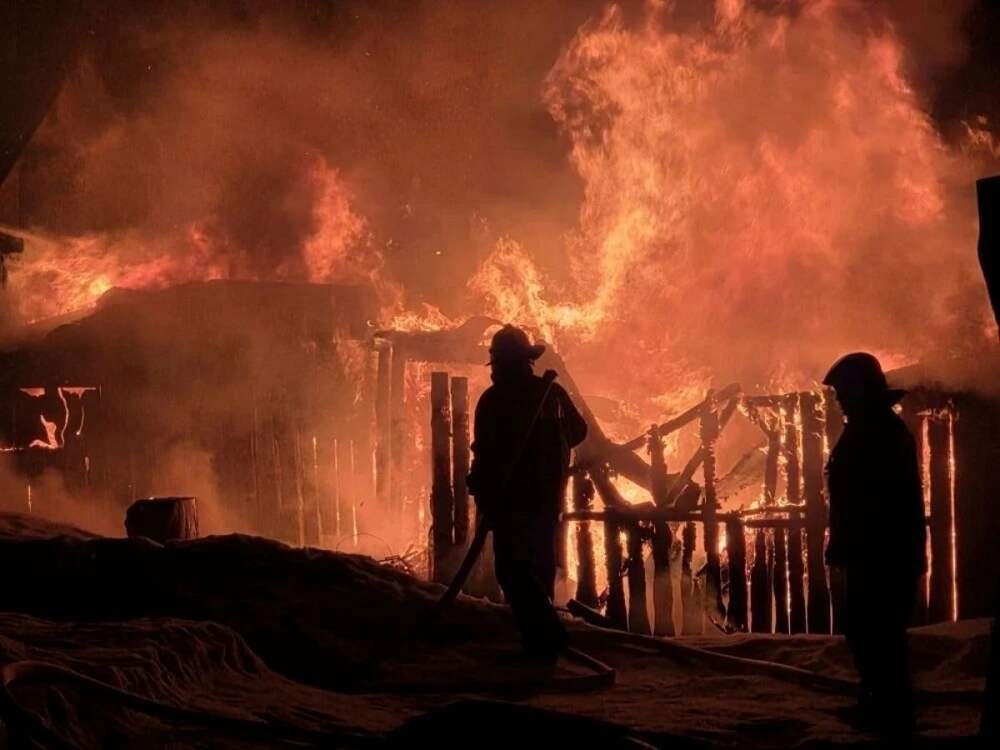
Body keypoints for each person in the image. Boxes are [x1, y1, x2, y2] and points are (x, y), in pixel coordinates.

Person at [467, 324, 588, 665]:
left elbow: (485, 453)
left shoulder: (494, 400)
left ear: (505, 363)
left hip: (513, 501)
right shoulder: (550, 393)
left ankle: (546, 637)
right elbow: (578, 431)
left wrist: (481, 484)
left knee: (511, 569)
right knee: (539, 566)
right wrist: (553, 451)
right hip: (546, 498)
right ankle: (539, 646)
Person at [823, 352, 927, 731]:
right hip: (874, 550)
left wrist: (852, 541)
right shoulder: (869, 429)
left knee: (878, 633)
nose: (839, 400)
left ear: (859, 391)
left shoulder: (880, 434)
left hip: (883, 553)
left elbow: (874, 501)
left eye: (843, 392)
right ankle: (880, 702)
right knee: (869, 632)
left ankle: (891, 713)